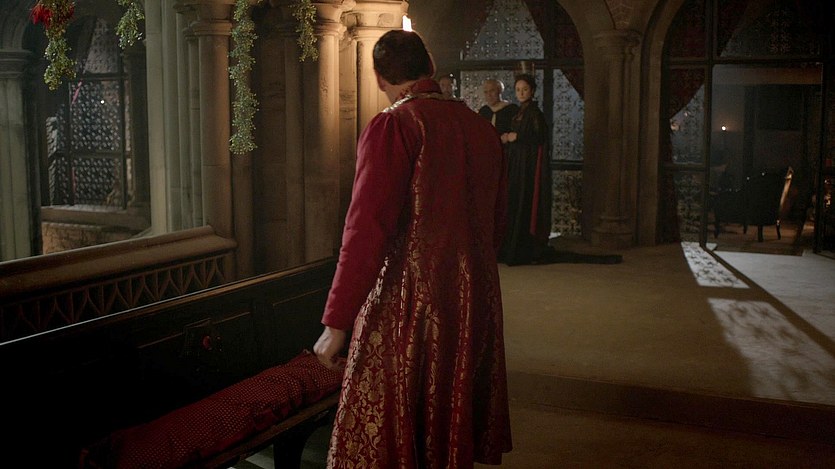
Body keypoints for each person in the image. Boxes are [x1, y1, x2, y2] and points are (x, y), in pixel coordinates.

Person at [313, 30, 512, 468]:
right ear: (431, 67)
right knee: (446, 424)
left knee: (385, 433)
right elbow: (497, 224)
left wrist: (337, 321)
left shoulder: (395, 125)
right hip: (473, 297)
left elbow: (366, 229)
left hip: (411, 301)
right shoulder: (482, 129)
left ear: (379, 78)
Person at [498, 74, 553, 265]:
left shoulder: (534, 113)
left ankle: (524, 248)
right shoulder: (520, 111)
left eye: (525, 89)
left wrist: (517, 137)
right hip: (518, 164)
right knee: (515, 200)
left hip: (527, 168)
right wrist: (509, 137)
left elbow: (540, 136)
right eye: (518, 90)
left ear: (532, 91)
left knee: (524, 200)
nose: (521, 93)